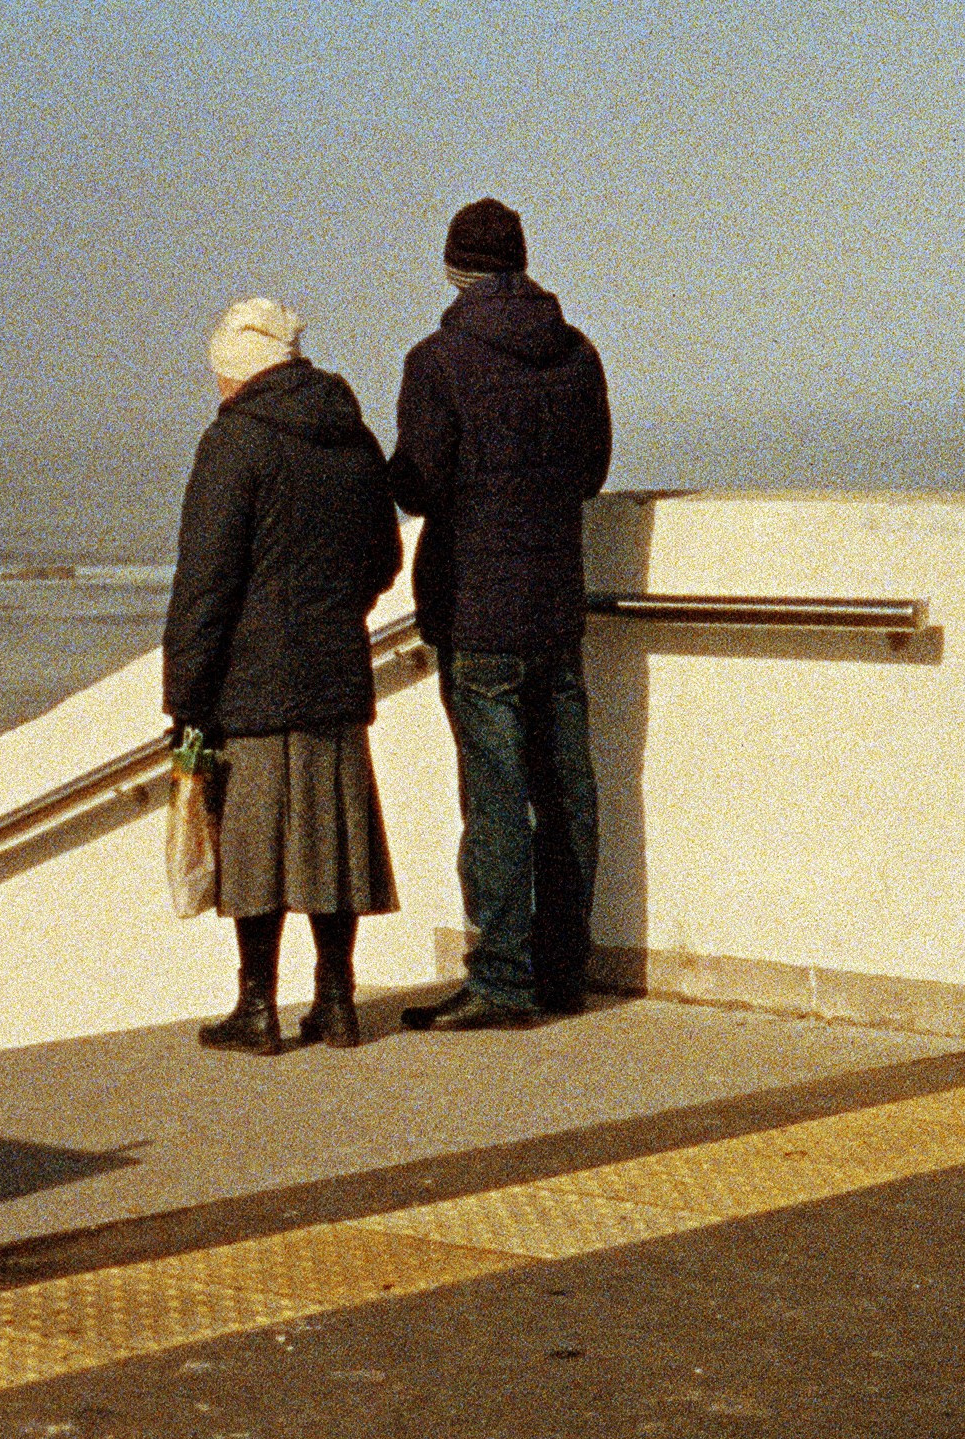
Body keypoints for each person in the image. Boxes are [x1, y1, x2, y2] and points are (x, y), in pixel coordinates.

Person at [387, 198, 613, 1030]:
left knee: (494, 797)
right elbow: (591, 473)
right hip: (556, 602)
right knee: (566, 793)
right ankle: (562, 971)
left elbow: (416, 484)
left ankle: (502, 977)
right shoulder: (577, 353)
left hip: (476, 609)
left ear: (454, 269)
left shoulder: (437, 361)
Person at [164, 297, 402, 1056]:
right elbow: (384, 560)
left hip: (254, 680)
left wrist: (188, 700)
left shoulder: (233, 443)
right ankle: (337, 1002)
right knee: (335, 837)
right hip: (334, 669)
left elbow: (205, 583)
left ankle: (257, 1007)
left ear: (237, 372)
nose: (218, 390)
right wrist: (335, 611)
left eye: (220, 377)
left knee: (256, 846)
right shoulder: (353, 436)